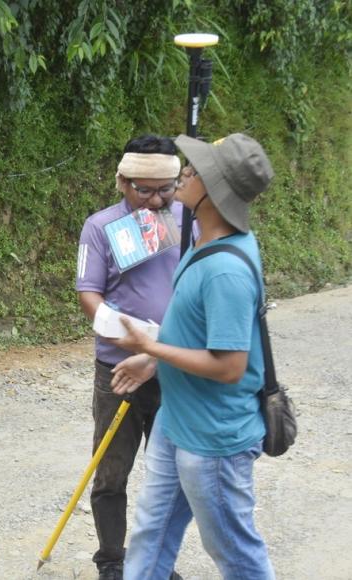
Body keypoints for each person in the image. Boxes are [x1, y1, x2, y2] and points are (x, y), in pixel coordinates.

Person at [111, 133, 276, 579]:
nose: (185, 171)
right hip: (177, 419)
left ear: (216, 191)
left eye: (196, 169)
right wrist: (153, 362)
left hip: (213, 439)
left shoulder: (224, 269)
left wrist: (149, 347)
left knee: (235, 552)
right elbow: (192, 328)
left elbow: (230, 366)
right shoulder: (204, 239)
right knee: (151, 532)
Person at [75, 135, 186, 580]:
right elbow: (89, 295)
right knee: (111, 472)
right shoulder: (100, 226)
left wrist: (162, 350)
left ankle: (156, 562)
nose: (156, 200)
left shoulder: (190, 219)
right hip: (118, 368)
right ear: (122, 180)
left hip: (175, 367)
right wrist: (138, 342)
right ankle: (112, 559)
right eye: (144, 190)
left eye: (166, 189)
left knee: (172, 475)